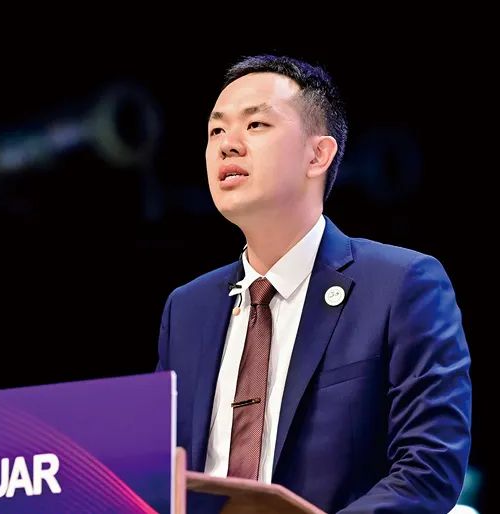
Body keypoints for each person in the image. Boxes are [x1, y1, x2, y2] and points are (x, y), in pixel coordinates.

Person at [155, 55, 471, 513]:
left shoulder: (402, 285)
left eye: (256, 124)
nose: (227, 145)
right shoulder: (186, 309)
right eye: (216, 130)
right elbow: (159, 475)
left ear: (317, 155)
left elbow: (429, 469)